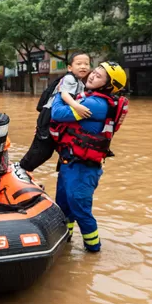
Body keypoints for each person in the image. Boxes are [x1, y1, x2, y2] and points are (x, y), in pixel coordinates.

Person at [50, 62, 128, 252]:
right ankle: (66, 242)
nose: (92, 76)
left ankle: (93, 251)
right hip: (71, 163)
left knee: (80, 210)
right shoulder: (90, 97)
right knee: (64, 207)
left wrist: (62, 93)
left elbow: (57, 113)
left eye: (99, 76)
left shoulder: (96, 104)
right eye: (95, 72)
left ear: (108, 86)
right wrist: (70, 98)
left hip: (83, 168)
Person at [19, 52, 92, 173]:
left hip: (53, 116)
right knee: (42, 149)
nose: (83, 66)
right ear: (70, 67)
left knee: (46, 149)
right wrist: (77, 106)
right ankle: (22, 168)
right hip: (49, 114)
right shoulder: (69, 78)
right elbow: (64, 94)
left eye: (86, 64)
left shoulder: (79, 82)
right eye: (79, 64)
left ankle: (24, 168)